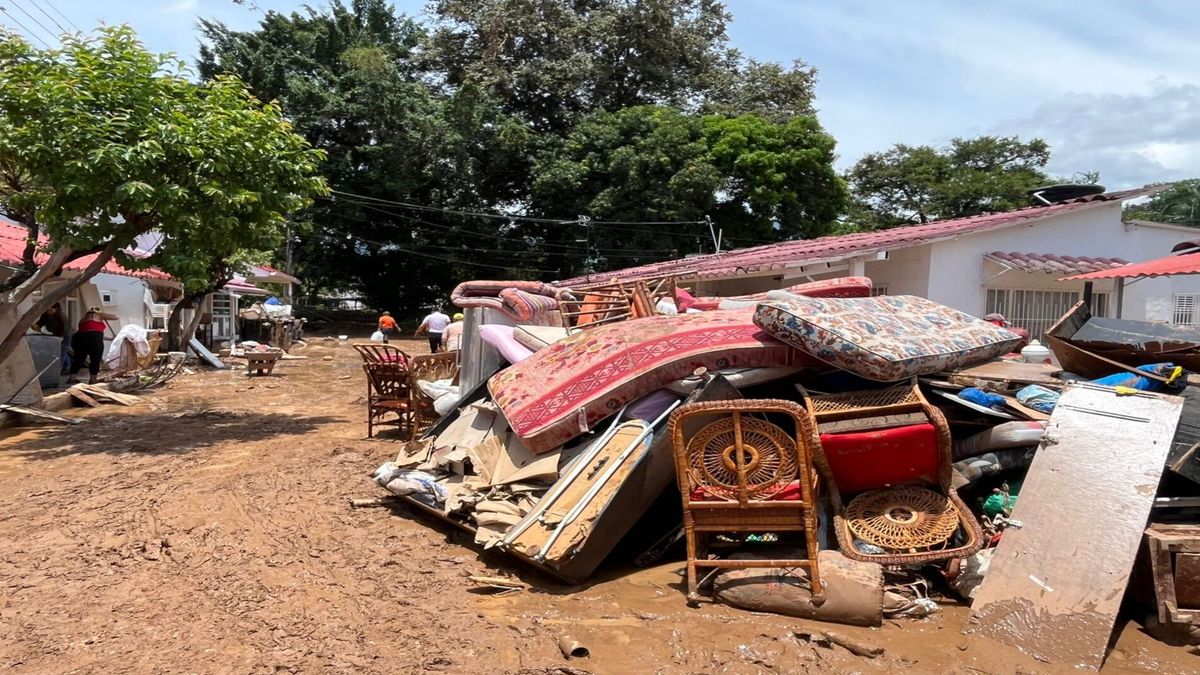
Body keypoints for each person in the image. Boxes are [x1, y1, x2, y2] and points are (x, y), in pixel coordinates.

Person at [69, 307, 107, 385]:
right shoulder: (96, 316)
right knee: (95, 359)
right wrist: (103, 316)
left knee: (79, 358)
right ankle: (93, 379)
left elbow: (91, 332)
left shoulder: (83, 320)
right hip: (94, 339)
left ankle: (72, 378)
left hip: (80, 338)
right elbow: (115, 317)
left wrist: (110, 339)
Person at [33, 303, 71, 374]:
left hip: (65, 335)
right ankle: (67, 367)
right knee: (61, 351)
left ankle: (58, 369)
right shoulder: (45, 315)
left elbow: (65, 327)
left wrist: (61, 336)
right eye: (47, 310)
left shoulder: (61, 315)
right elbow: (40, 323)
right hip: (55, 334)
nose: (49, 312)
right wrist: (36, 326)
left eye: (51, 310)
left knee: (61, 351)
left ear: (56, 309)